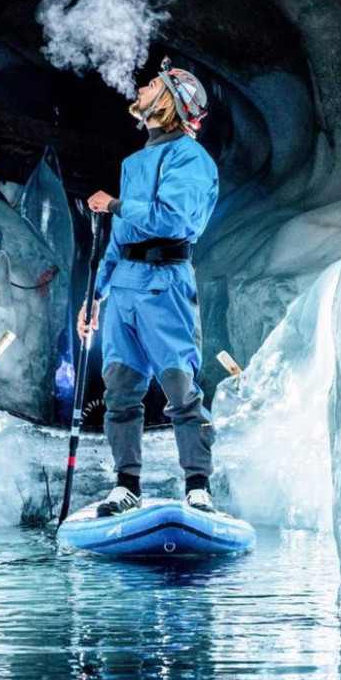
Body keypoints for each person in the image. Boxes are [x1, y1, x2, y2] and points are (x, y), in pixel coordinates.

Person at [77, 57, 220, 515]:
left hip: (166, 283)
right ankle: (126, 484)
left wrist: (117, 204)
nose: (140, 88)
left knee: (180, 387)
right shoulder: (134, 162)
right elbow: (120, 237)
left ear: (170, 103)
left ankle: (197, 486)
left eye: (152, 84)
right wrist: (95, 296)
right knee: (120, 389)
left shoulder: (191, 159)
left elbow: (173, 218)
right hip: (124, 289)